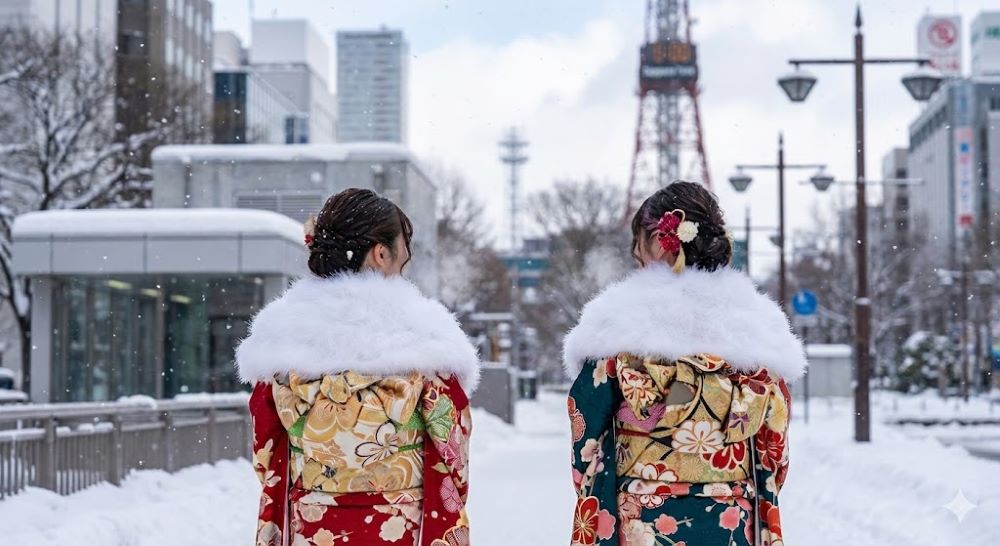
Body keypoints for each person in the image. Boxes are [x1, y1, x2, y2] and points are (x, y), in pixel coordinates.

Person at [562, 181, 806, 546]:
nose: (635, 254)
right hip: (730, 514)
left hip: (644, 515)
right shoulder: (755, 327)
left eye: (638, 244)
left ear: (660, 242)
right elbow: (773, 448)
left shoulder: (617, 323)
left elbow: (587, 436)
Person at [237, 188, 480, 546]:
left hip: (314, 521)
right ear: (381, 254)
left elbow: (266, 451)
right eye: (402, 262)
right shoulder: (427, 340)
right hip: (402, 524)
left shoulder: (282, 339)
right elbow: (452, 453)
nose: (402, 273)